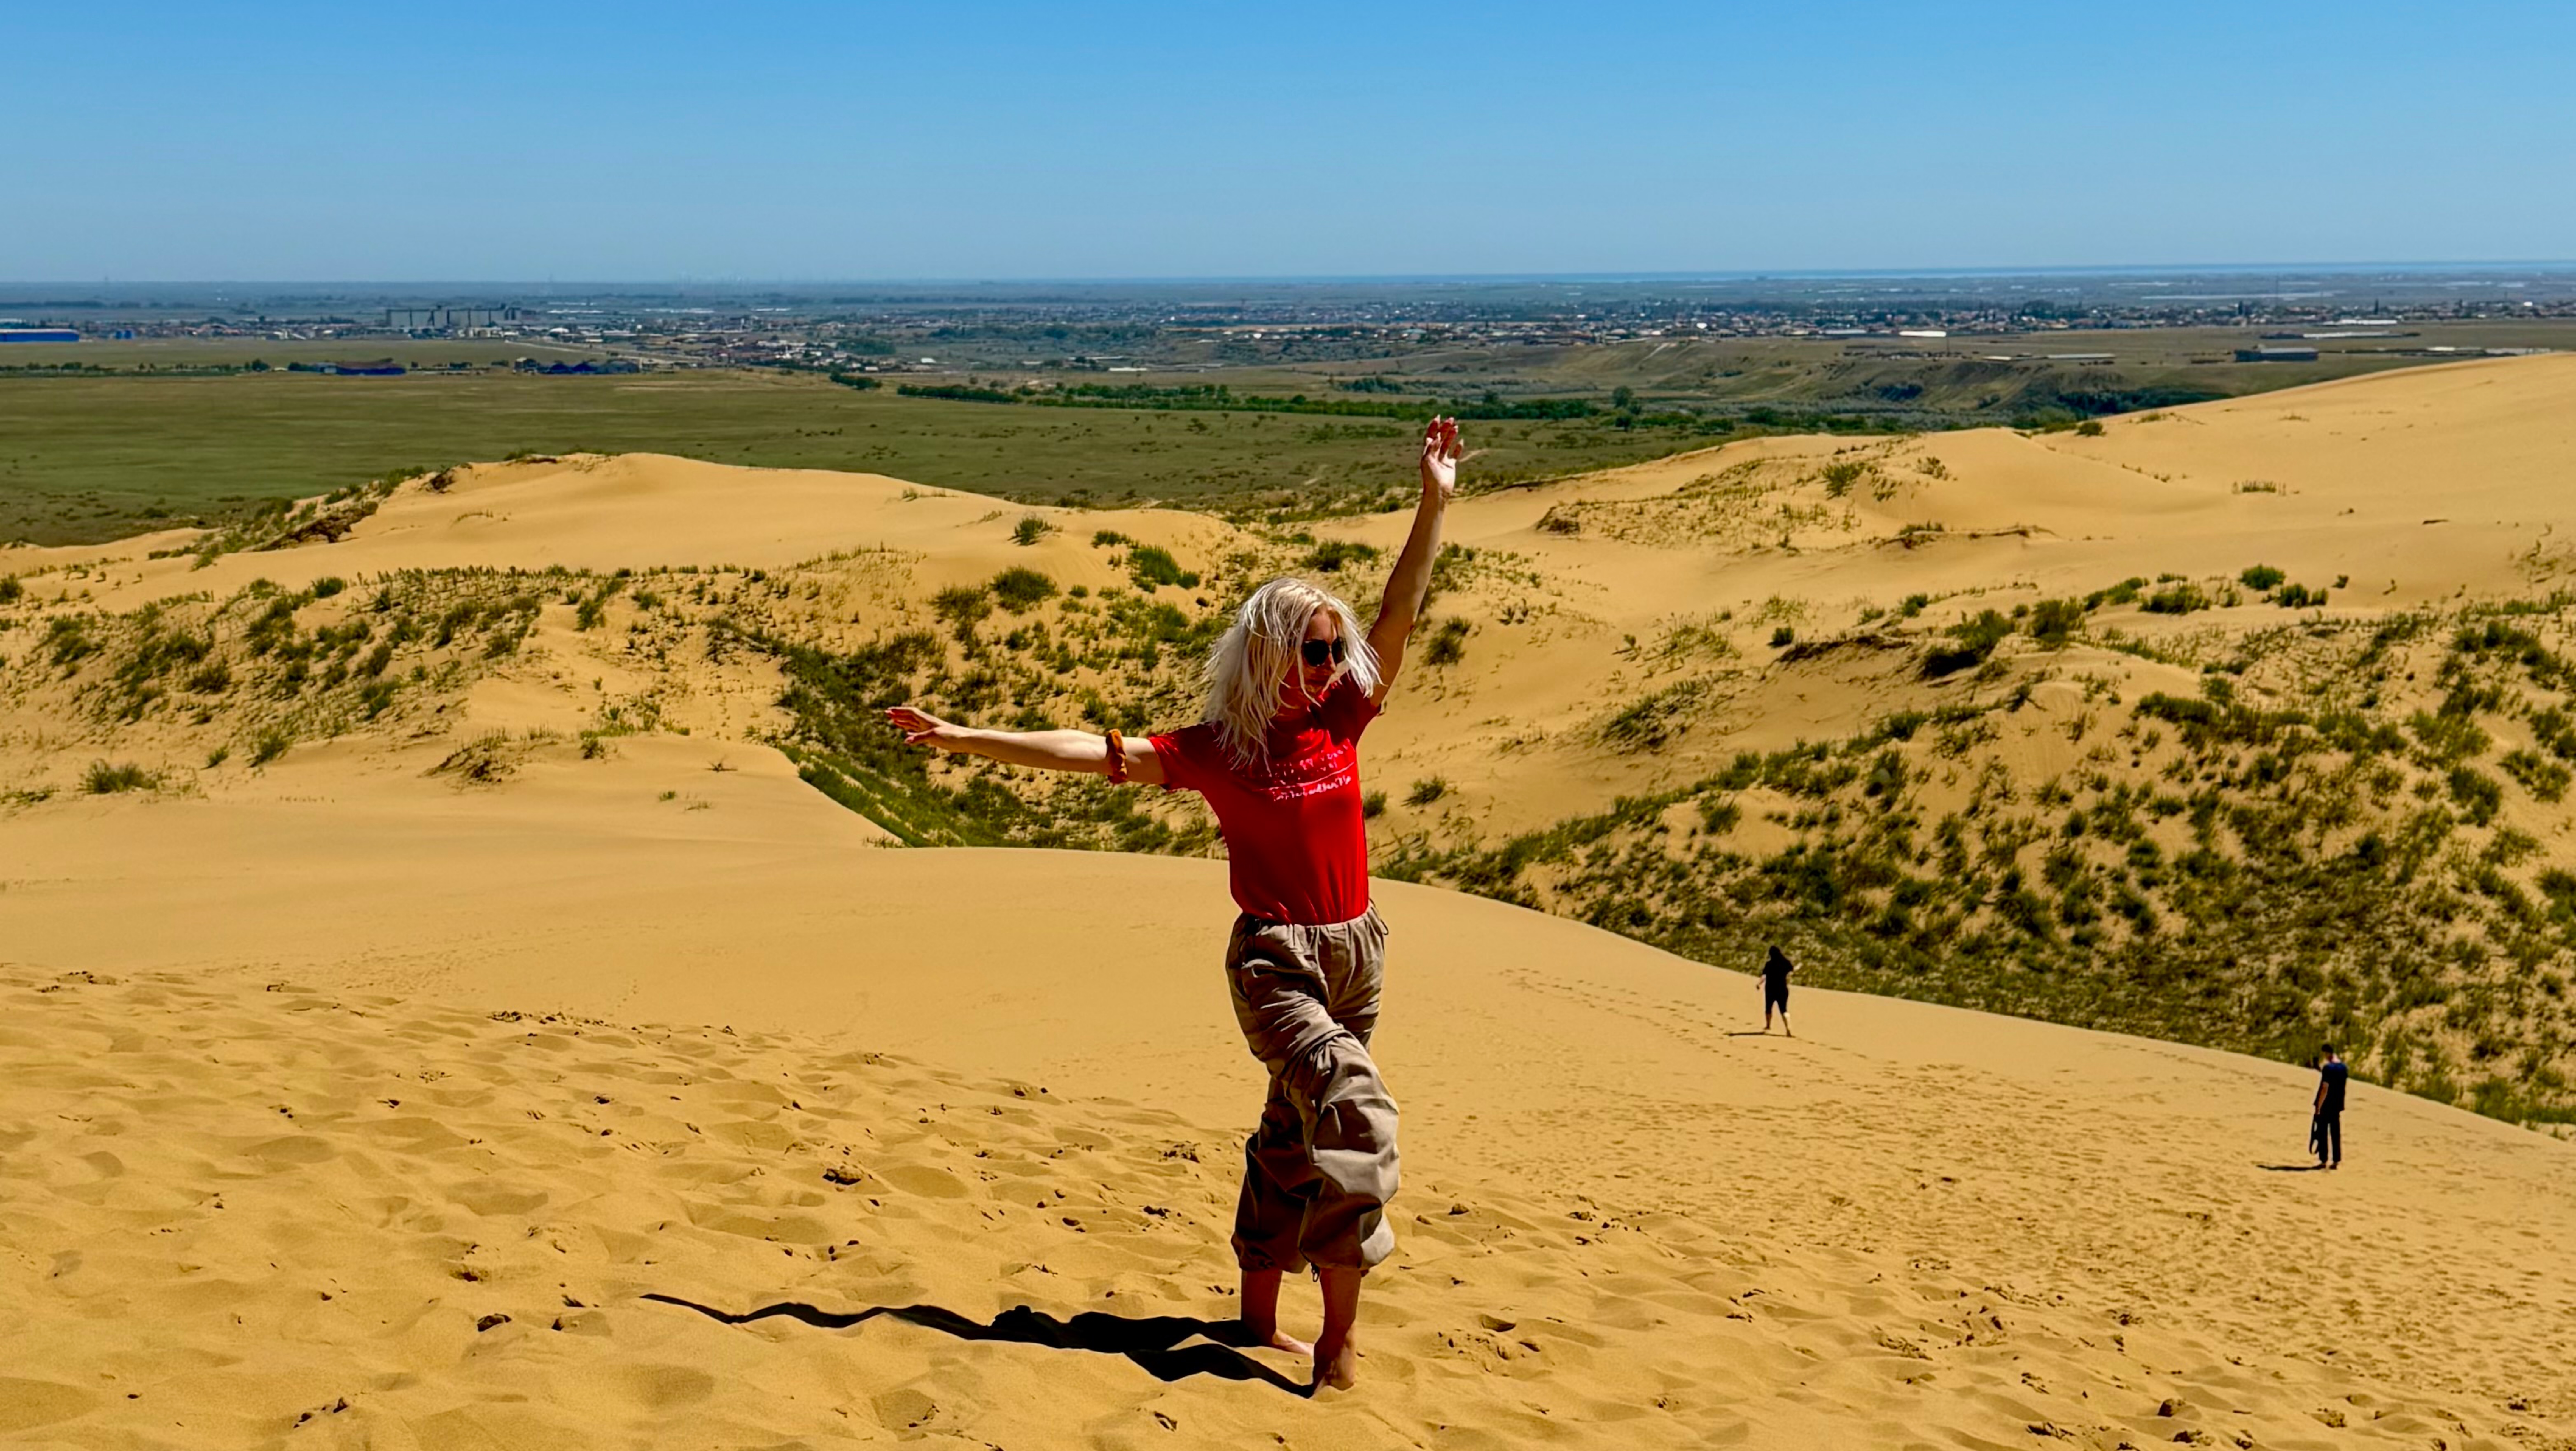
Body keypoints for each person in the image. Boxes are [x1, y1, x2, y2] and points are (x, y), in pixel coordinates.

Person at [885, 416, 1463, 1391]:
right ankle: (1339, 1343)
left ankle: (1253, 1313)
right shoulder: (1219, 750)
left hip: (1358, 951)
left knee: (1293, 1129)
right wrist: (961, 736)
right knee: (1355, 1114)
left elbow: (1400, 611)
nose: (1330, 666)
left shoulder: (1343, 720)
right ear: (1269, 652)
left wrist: (1433, 501)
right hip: (1275, 959)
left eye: (1335, 649)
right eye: (1312, 651)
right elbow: (1088, 749)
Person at [2313, 1045, 2347, 1170]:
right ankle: (2336, 1160)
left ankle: (2324, 1160)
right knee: (2335, 1133)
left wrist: (2319, 1106)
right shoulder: (2343, 1068)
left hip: (2326, 1105)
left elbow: (2325, 1088)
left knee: (2322, 1133)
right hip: (2337, 1105)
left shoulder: (2328, 1068)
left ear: (2327, 1054)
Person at [1759, 944, 1796, 1036]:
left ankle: (1768, 1026)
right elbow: (1791, 971)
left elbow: (1764, 976)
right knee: (1784, 1010)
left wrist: (1759, 984)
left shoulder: (1770, 964)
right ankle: (1789, 1029)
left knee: (1769, 1008)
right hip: (1783, 989)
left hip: (1771, 990)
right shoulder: (1786, 963)